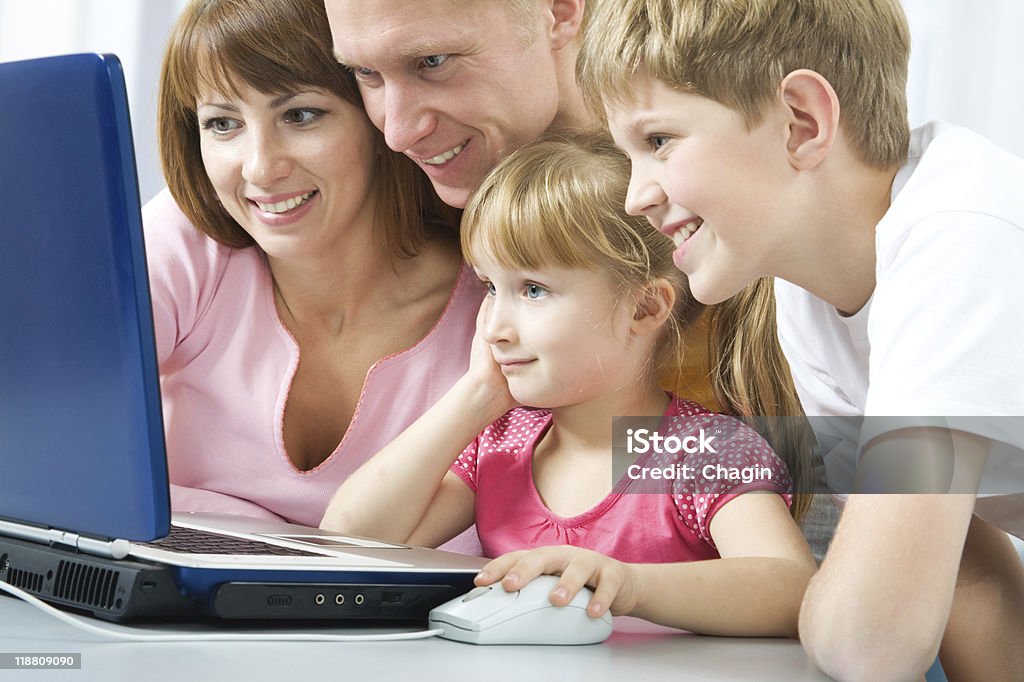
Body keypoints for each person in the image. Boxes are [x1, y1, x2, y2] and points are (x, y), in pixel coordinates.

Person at [578, 0, 1024, 678]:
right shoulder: (808, 288)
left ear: (802, 123)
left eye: (659, 140)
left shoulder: (964, 239)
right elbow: (966, 574)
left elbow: (868, 639)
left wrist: (833, 608)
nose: (636, 195)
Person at [321, 0, 839, 560]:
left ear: (561, 12)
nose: (396, 133)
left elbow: (793, 582)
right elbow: (348, 538)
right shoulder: (512, 441)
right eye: (364, 73)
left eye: (433, 60)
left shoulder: (716, 434)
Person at [321, 134, 817, 636]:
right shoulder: (503, 447)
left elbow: (791, 588)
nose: (494, 327)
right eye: (492, 287)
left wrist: (630, 586)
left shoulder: (703, 451)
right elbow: (347, 540)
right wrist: (475, 396)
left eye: (533, 290)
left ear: (644, 309)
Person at [144, 0, 482, 553]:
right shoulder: (190, 241)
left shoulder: (498, 301)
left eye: (300, 115)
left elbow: (596, 499)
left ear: (378, 120)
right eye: (222, 123)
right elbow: (51, 425)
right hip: (168, 613)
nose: (259, 167)